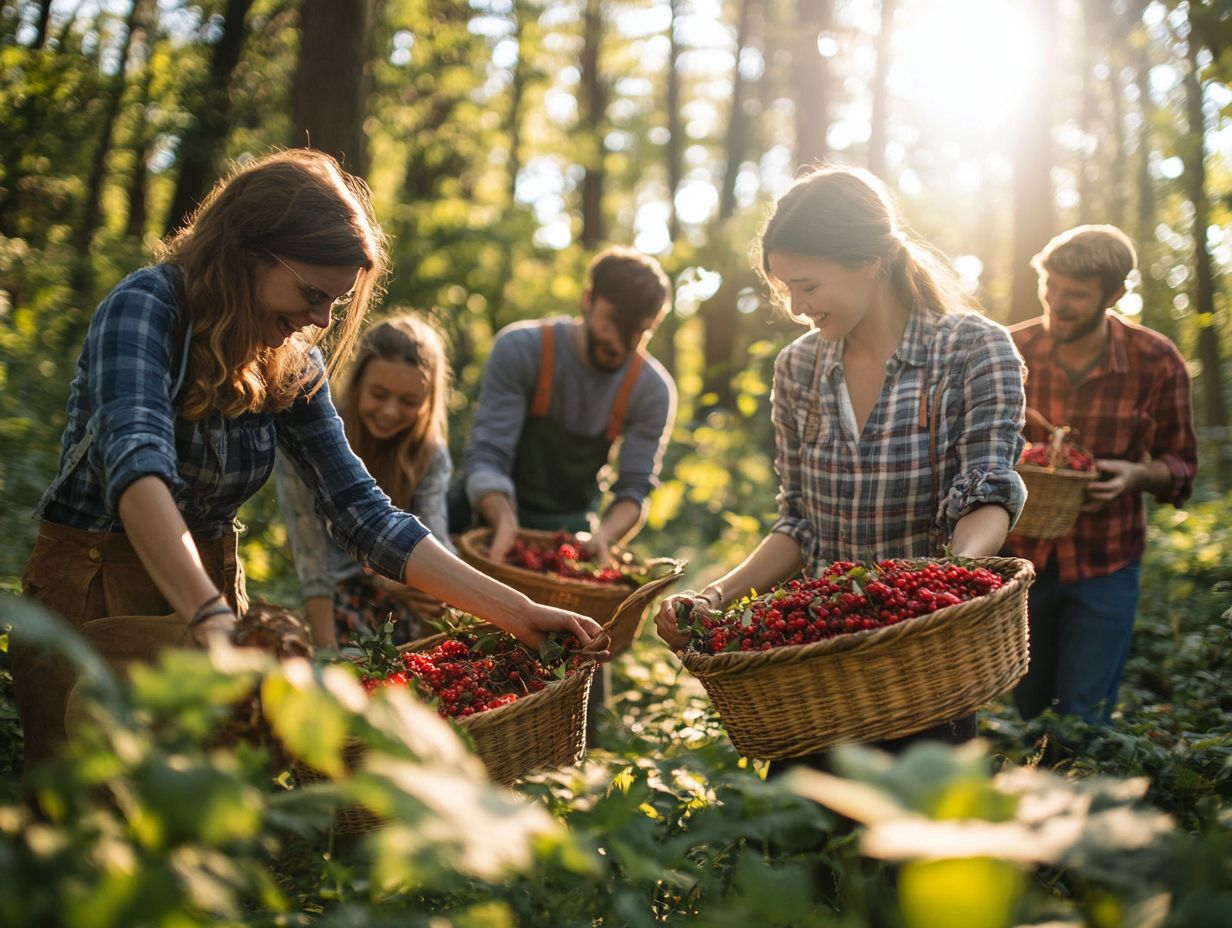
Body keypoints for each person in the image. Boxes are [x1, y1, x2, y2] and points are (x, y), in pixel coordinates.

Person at [12, 149, 605, 771]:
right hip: (98, 585)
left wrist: (519, 612)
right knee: (91, 815)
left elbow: (363, 512)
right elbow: (137, 468)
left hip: (209, 588)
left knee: (198, 826)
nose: (319, 319)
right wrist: (211, 618)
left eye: (334, 303)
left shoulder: (291, 360)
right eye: (310, 292)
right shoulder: (147, 309)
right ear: (247, 252)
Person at [654, 165, 1028, 756]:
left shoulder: (972, 350)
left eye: (808, 286)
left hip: (924, 661)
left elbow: (987, 493)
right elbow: (799, 524)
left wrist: (942, 585)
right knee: (801, 839)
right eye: (785, 290)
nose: (797, 308)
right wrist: (712, 597)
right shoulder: (798, 370)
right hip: (818, 671)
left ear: (868, 262)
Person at [1005, 224, 1197, 726]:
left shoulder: (1155, 360)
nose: (1057, 303)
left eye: (1076, 295)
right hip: (1021, 559)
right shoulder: (1009, 350)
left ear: (1114, 295)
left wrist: (1136, 475)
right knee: (1027, 710)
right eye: (1051, 287)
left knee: (1082, 718)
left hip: (1106, 561)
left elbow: (1181, 463)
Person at [457, 246, 677, 566]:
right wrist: (505, 522)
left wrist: (605, 537)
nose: (622, 342)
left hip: (570, 530)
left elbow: (634, 490)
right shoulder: (521, 349)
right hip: (484, 516)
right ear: (588, 300)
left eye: (641, 330)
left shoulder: (651, 390)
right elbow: (487, 455)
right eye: (614, 321)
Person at [274, 314, 455, 650]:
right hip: (340, 598)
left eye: (408, 402)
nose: (389, 411)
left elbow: (436, 535)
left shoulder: (430, 456)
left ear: (427, 403)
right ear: (357, 385)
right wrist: (328, 657)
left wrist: (442, 622)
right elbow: (311, 556)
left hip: (411, 590)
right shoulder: (309, 437)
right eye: (378, 394)